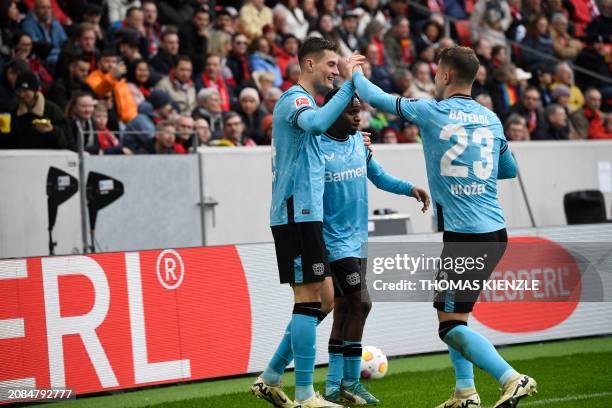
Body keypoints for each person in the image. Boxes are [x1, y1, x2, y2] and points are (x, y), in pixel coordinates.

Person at [351, 45, 537, 408]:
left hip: (467, 236)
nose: (435, 78)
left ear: (447, 76)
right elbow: (509, 170)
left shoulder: (431, 112)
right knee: (455, 317)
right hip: (493, 232)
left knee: (449, 325)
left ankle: (511, 378)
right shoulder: (491, 118)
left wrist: (354, 71)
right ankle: (465, 392)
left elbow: (375, 97)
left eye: (437, 72)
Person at [250, 37, 364, 408]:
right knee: (308, 298)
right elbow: (315, 125)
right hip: (294, 213)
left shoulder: (308, 103)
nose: (335, 70)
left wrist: (353, 142)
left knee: (325, 301)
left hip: (308, 214)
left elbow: (322, 136)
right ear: (309, 65)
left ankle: (270, 377)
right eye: (331, 64)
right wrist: (350, 81)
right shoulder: (295, 101)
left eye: (338, 65)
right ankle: (304, 395)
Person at [320, 88, 430, 406]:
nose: (358, 116)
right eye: (350, 111)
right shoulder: (317, 147)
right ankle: (351, 383)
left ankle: (333, 388)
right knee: (362, 303)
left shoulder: (358, 142)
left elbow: (378, 177)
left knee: (346, 310)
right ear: (333, 112)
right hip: (334, 243)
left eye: (360, 111)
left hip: (358, 241)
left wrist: (410, 189)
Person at [6, 70, 70, 149]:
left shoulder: (52, 109)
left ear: (35, 91)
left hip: (48, 157)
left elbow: (67, 139)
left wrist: (52, 130)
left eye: (26, 91)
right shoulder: (13, 111)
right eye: (19, 91)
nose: (22, 95)